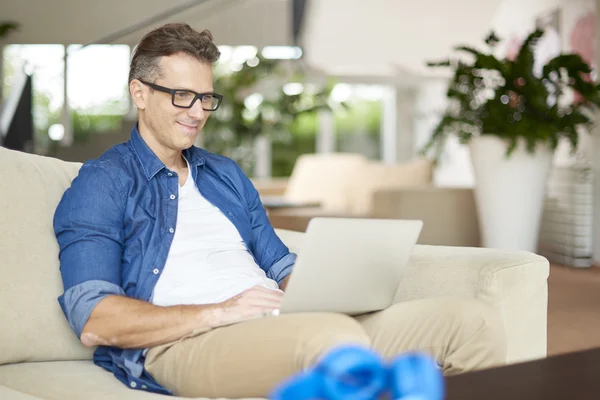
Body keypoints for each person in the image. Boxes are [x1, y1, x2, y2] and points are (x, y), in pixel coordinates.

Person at [54, 23, 507, 398]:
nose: (197, 112)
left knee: (470, 320)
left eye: (206, 98)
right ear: (139, 92)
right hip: (187, 343)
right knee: (335, 343)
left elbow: (280, 262)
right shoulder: (104, 182)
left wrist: (331, 289)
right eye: (181, 96)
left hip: (285, 324)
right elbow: (94, 319)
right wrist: (219, 310)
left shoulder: (225, 174)